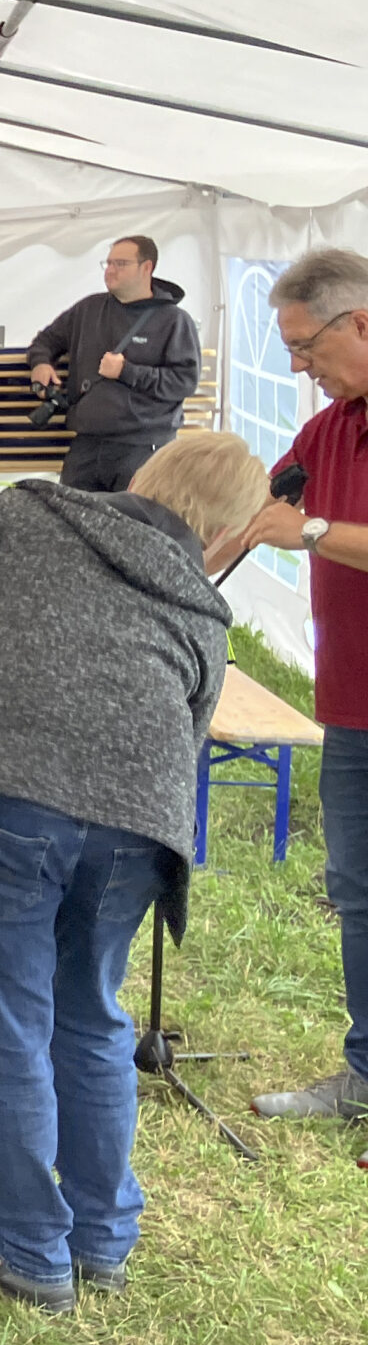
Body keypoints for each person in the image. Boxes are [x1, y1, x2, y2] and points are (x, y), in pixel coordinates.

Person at [0, 432, 265, 1309]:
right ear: (228, 530)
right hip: (137, 832)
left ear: (147, 474)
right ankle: (101, 1243)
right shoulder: (204, 609)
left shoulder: (28, 514)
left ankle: (29, 1256)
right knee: (89, 1022)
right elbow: (186, 738)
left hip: (8, 803)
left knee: (10, 1031)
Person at [234, 250, 368, 1120]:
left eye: (305, 346)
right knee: (356, 891)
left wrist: (313, 529)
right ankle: (366, 1074)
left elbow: (302, 525)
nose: (295, 367)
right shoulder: (328, 431)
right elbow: (262, 502)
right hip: (352, 706)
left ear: (361, 323)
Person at [25, 235, 201, 493]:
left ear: (147, 267)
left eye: (121, 263)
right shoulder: (88, 309)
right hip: (86, 446)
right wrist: (40, 363)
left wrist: (127, 372)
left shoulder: (174, 321)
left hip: (142, 449)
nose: (110, 270)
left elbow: (184, 382)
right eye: (108, 263)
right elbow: (45, 341)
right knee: (69, 516)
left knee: (131, 518)